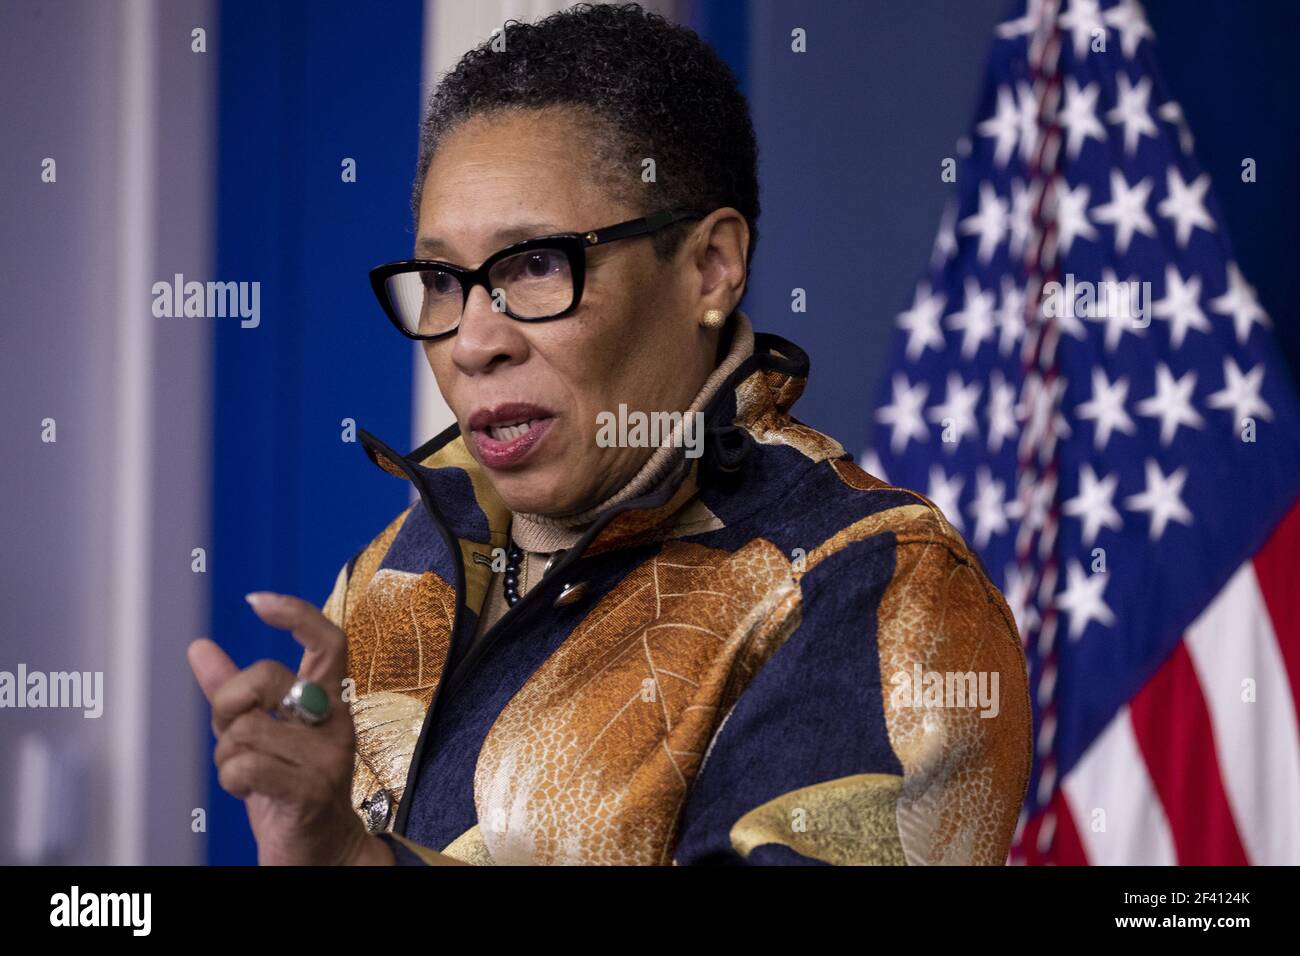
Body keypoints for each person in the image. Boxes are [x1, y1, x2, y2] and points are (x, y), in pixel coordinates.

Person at [188, 2, 1031, 866]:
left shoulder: (878, 587)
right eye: (444, 279)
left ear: (711, 268)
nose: (476, 340)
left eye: (540, 264)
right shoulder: (392, 572)